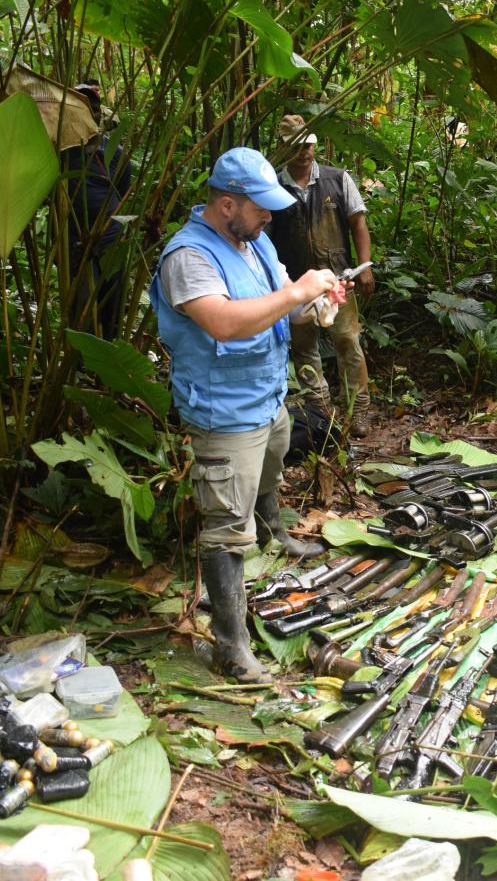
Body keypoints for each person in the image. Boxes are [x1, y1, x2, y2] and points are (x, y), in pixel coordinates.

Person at [149, 147, 344, 682]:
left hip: (266, 396)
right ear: (228, 204)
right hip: (224, 411)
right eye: (261, 208)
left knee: (271, 467)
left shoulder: (254, 242)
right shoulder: (188, 257)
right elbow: (226, 323)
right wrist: (299, 290)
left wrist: (315, 303)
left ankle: (273, 533)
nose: (270, 217)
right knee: (225, 525)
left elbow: (282, 304)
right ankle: (231, 647)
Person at [267, 115, 375, 436]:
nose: (304, 152)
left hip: (338, 280)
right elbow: (265, 237)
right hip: (295, 284)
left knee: (348, 341)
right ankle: (320, 411)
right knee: (303, 349)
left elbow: (358, 224)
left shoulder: (337, 179)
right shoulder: (273, 187)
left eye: (308, 145)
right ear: (284, 147)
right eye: (297, 146)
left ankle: (359, 410)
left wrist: (365, 266)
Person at [63, 79, 132, 339]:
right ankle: (83, 355)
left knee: (112, 299)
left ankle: (111, 347)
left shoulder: (115, 152)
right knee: (82, 303)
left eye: (91, 106)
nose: (86, 111)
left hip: (110, 237)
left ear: (97, 112)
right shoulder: (61, 150)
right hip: (76, 239)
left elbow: (122, 193)